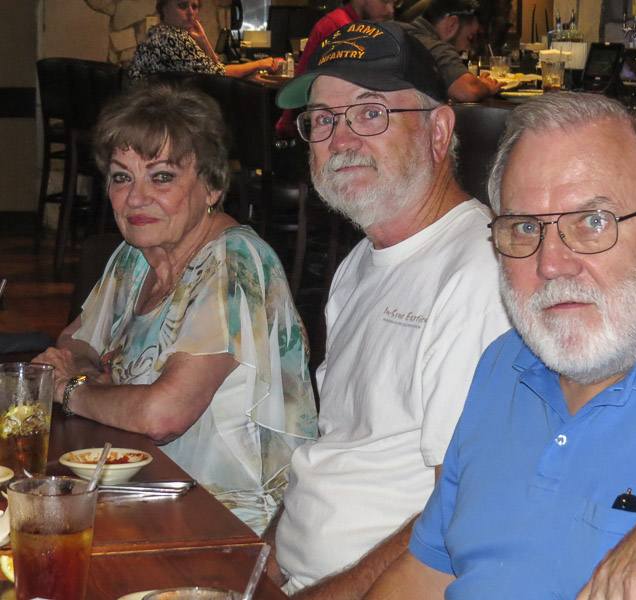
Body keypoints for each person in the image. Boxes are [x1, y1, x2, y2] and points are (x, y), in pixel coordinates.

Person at [365, 92, 636, 599]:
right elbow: (427, 572)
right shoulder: (505, 362)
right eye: (525, 227)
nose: (552, 262)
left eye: (594, 222)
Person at [265, 21, 511, 599]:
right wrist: (262, 566)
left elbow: (461, 517)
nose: (340, 139)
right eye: (323, 119)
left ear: (439, 128)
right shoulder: (358, 265)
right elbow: (335, 452)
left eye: (370, 112)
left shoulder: (476, 272)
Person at [33, 82, 318, 535]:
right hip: (146, 491)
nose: (135, 198)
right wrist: (95, 382)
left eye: (161, 176)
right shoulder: (135, 254)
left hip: (230, 523)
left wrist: (73, 391)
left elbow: (162, 416)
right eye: (122, 177)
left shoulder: (234, 263)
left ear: (212, 187)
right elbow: (74, 342)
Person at [274, 0, 394, 138]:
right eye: (385, 1)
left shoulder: (354, 26)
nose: (390, 10)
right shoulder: (342, 28)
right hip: (314, 124)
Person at [128, 0, 277, 81]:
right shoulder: (170, 37)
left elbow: (215, 69)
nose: (191, 12)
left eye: (194, 6)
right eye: (182, 6)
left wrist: (203, 40)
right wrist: (259, 63)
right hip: (154, 114)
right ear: (164, 9)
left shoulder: (159, 31)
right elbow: (219, 75)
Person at [399, 0, 502, 103]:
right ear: (451, 24)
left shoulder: (395, 29)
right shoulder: (437, 48)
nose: (467, 49)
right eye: (469, 38)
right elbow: (467, 91)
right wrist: (486, 87)